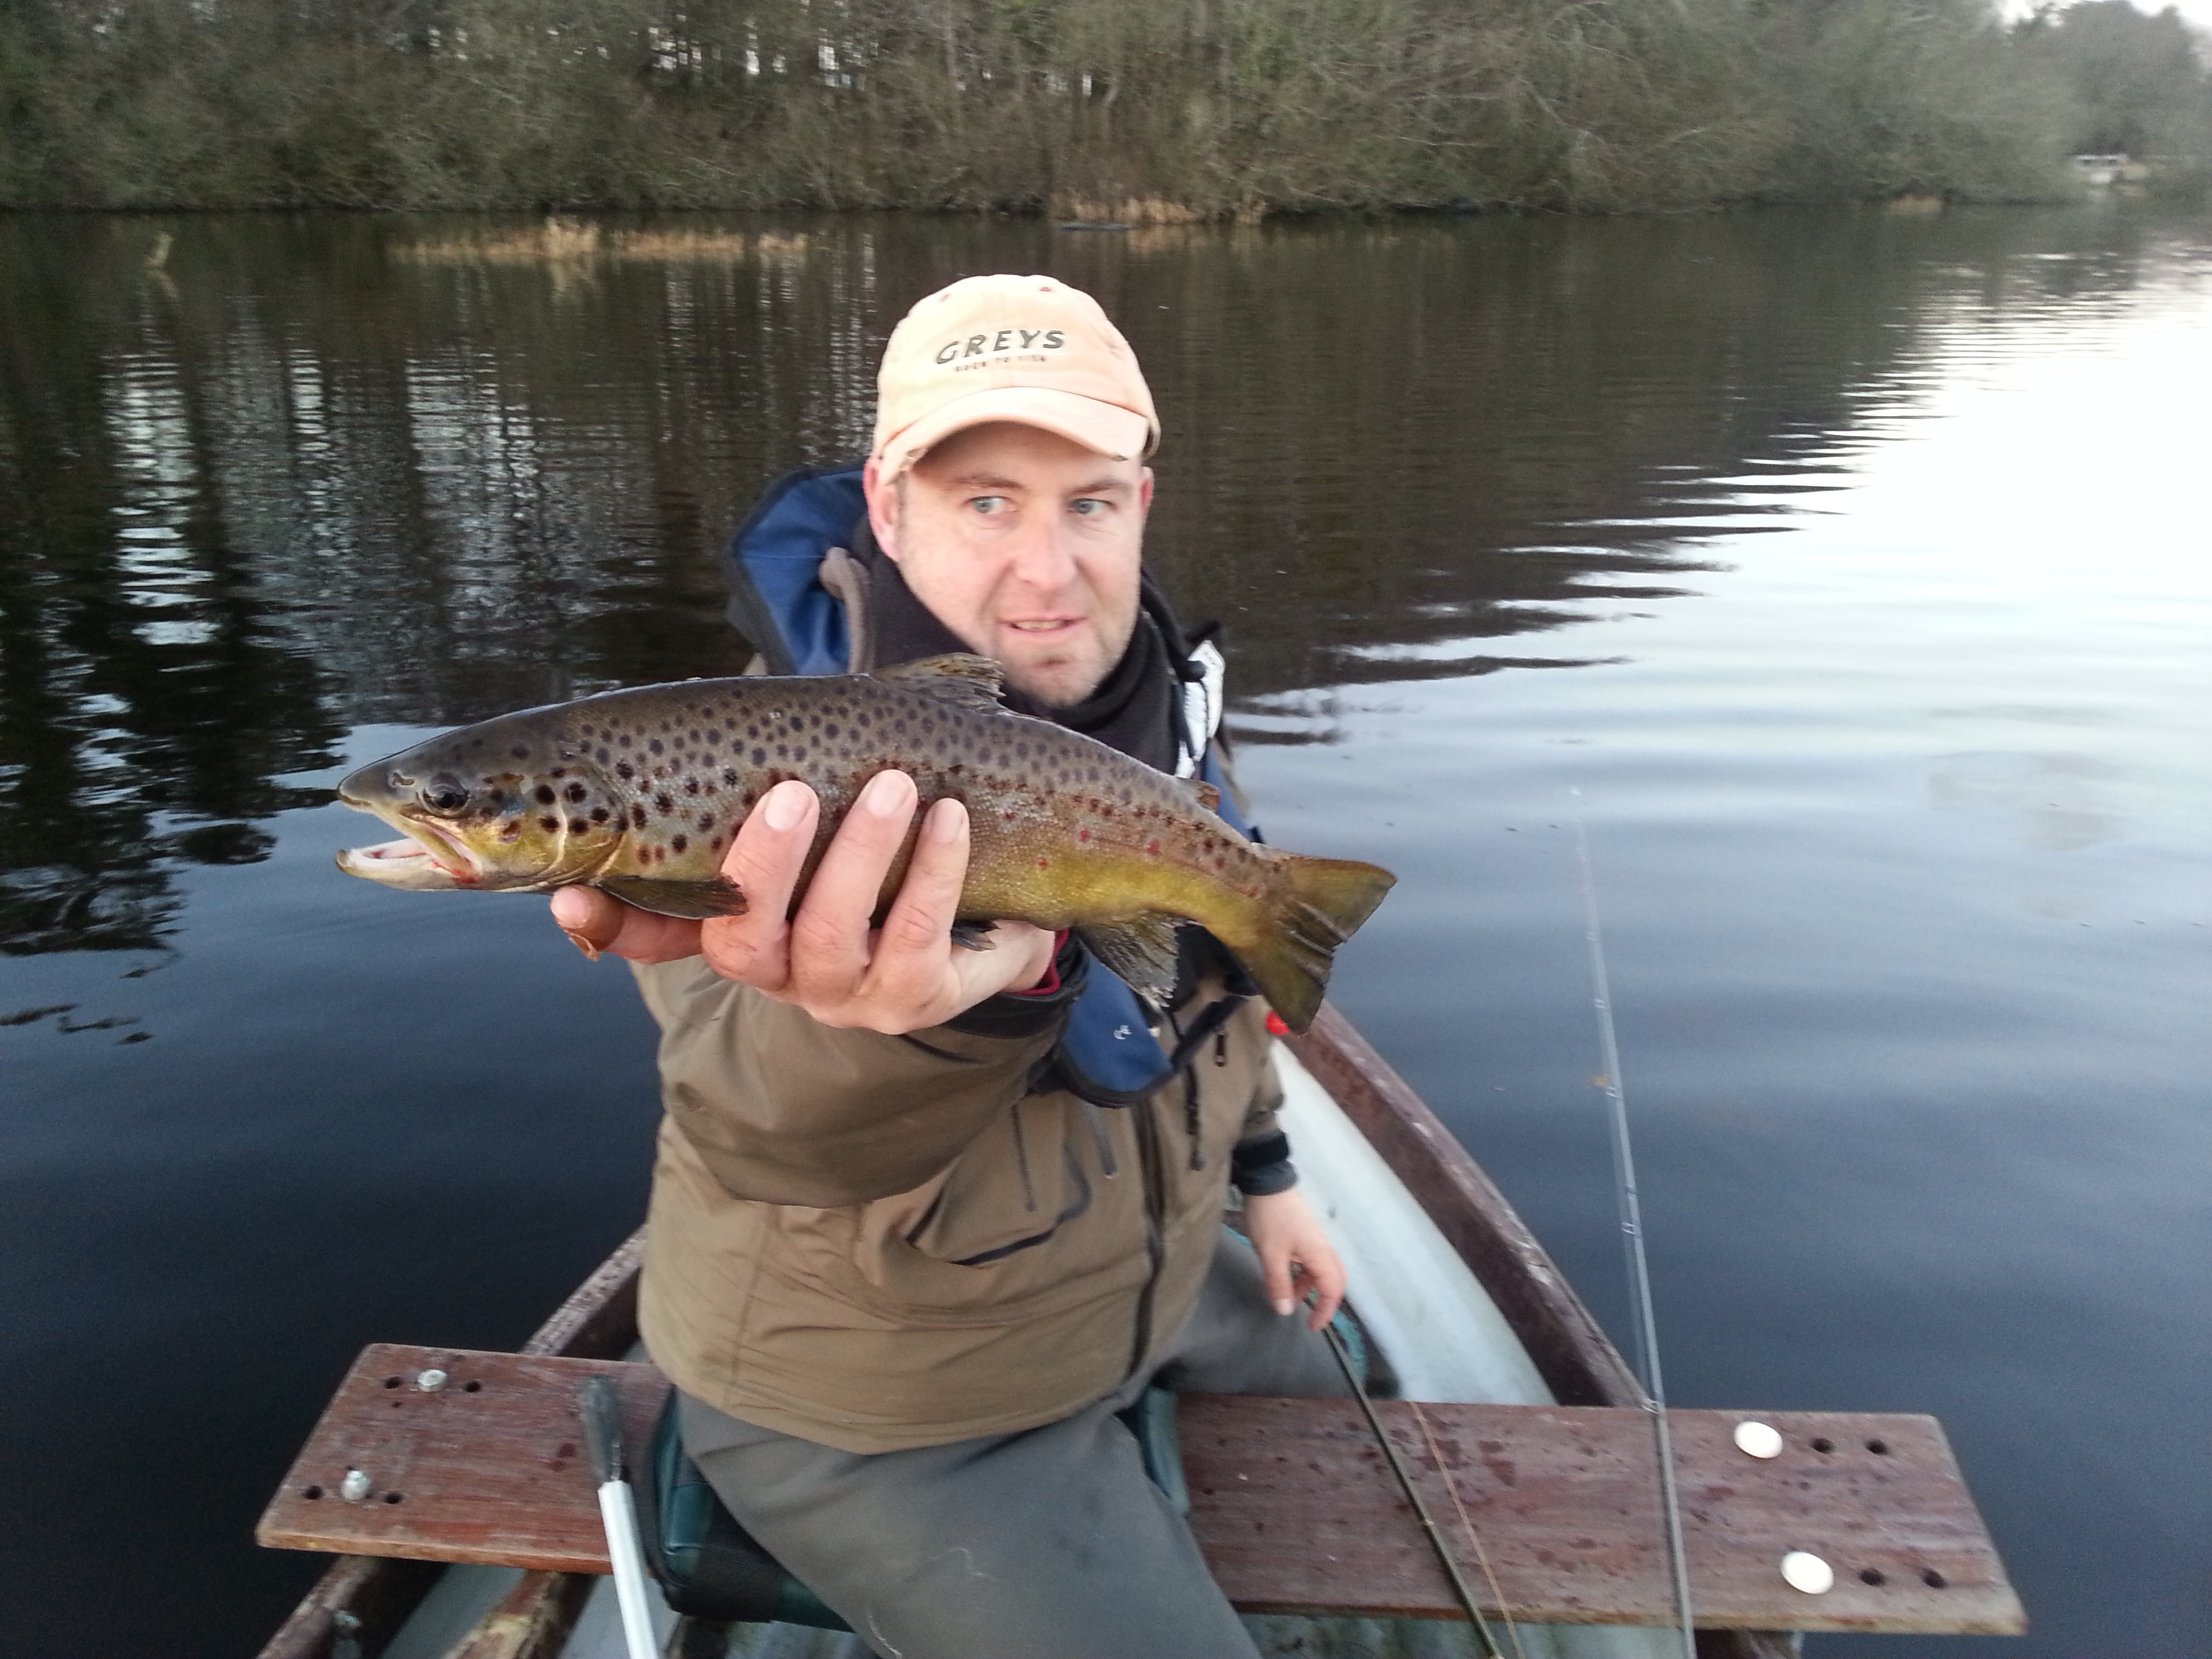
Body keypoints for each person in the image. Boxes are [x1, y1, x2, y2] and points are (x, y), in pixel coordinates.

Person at [550, 274, 1357, 1658]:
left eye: (1088, 503)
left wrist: (1271, 1179)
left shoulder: (1164, 713)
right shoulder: (713, 774)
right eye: (986, 502)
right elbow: (752, 1122)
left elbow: (1207, 992)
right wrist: (929, 1025)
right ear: (887, 505)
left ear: (1140, 505)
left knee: (1366, 1391)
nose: (1046, 573)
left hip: (1155, 1280)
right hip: (879, 1405)